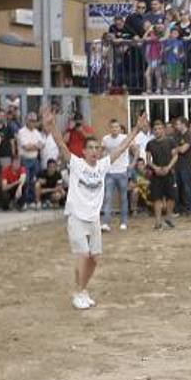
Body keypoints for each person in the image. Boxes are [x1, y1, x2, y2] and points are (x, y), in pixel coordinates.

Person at [44, 109, 127, 310]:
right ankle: (78, 292)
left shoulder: (103, 165)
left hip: (94, 219)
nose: (94, 151)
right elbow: (61, 145)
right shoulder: (77, 164)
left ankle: (82, 290)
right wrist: (52, 126)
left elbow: (122, 147)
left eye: (97, 148)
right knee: (82, 255)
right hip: (76, 217)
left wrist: (136, 132)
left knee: (95, 259)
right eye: (90, 147)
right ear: (83, 151)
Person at [101, 119, 140, 232]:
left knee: (123, 198)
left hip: (123, 172)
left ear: (120, 128)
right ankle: (105, 223)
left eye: (117, 127)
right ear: (110, 128)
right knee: (107, 197)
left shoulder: (124, 138)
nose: (115, 129)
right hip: (109, 172)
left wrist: (132, 164)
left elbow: (136, 150)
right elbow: (101, 152)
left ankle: (123, 222)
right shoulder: (105, 139)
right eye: (112, 127)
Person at [145, 120, 179, 230]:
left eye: (159, 128)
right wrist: (155, 168)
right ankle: (158, 221)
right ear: (152, 131)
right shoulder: (150, 144)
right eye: (155, 129)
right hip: (156, 174)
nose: (157, 131)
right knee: (157, 198)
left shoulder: (171, 141)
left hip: (169, 173)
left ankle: (168, 217)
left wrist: (168, 167)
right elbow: (148, 160)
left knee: (171, 197)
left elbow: (175, 156)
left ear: (163, 129)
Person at [16, 112, 46, 210]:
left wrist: (33, 146)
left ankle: (33, 201)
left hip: (35, 160)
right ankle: (24, 202)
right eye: (31, 120)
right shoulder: (21, 132)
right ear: (26, 121)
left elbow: (42, 145)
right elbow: (25, 147)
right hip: (25, 160)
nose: (33, 123)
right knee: (25, 181)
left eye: (34, 121)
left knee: (34, 181)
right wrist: (36, 146)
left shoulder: (37, 132)